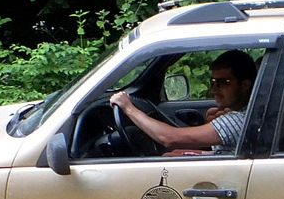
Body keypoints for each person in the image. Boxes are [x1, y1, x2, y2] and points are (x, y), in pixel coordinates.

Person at [109, 50, 256, 153]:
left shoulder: (236, 120)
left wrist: (128, 108)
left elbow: (168, 138)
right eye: (213, 82)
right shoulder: (247, 114)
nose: (214, 90)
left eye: (223, 83)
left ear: (244, 85)